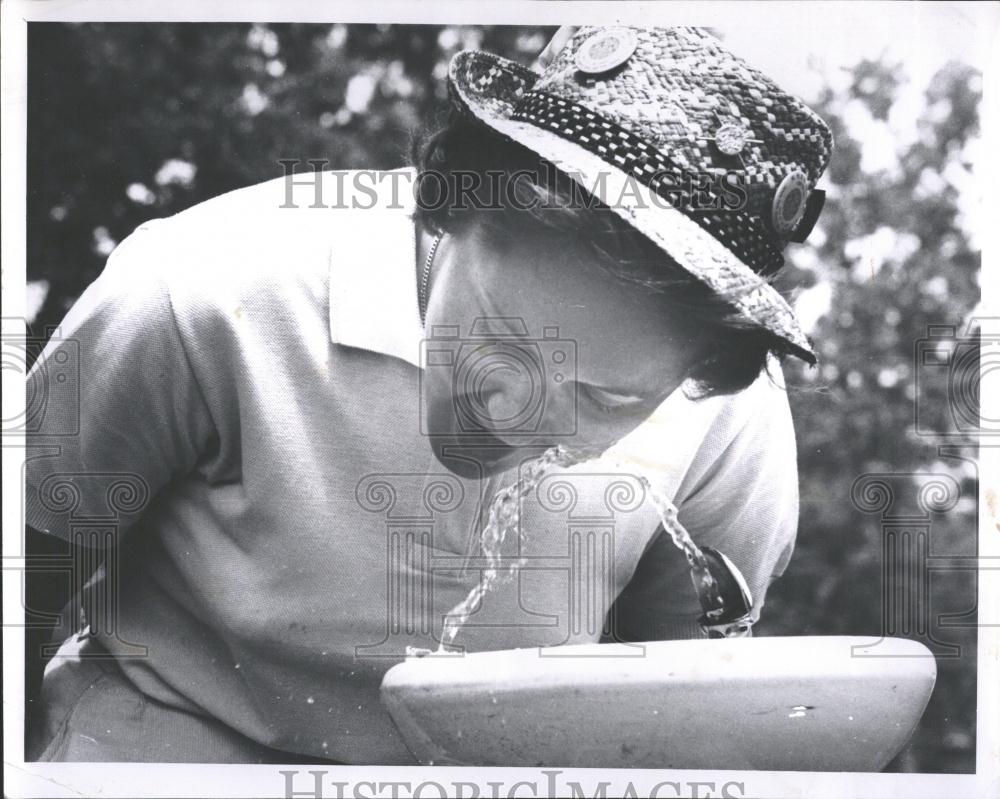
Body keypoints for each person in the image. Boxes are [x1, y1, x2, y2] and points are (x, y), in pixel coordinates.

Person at [24, 26, 832, 763]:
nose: (522, 412)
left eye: (606, 397)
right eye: (505, 339)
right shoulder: (198, 292)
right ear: (447, 205)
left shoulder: (729, 420)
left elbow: (685, 709)